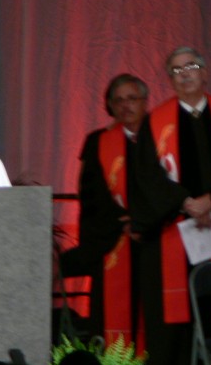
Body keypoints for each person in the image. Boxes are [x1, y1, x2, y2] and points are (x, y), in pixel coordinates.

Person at [132, 46, 211, 365]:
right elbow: (147, 177)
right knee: (173, 316)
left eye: (191, 66)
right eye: (176, 70)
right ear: (169, 79)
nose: (185, 74)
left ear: (205, 72)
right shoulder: (155, 122)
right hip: (172, 230)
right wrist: (185, 202)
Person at [58, 74, 151, 347]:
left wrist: (144, 220)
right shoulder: (98, 142)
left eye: (132, 98)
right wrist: (123, 223)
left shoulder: (162, 138)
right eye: (118, 100)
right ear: (109, 105)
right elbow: (91, 196)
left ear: (144, 102)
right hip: (110, 240)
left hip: (153, 238)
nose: (125, 106)